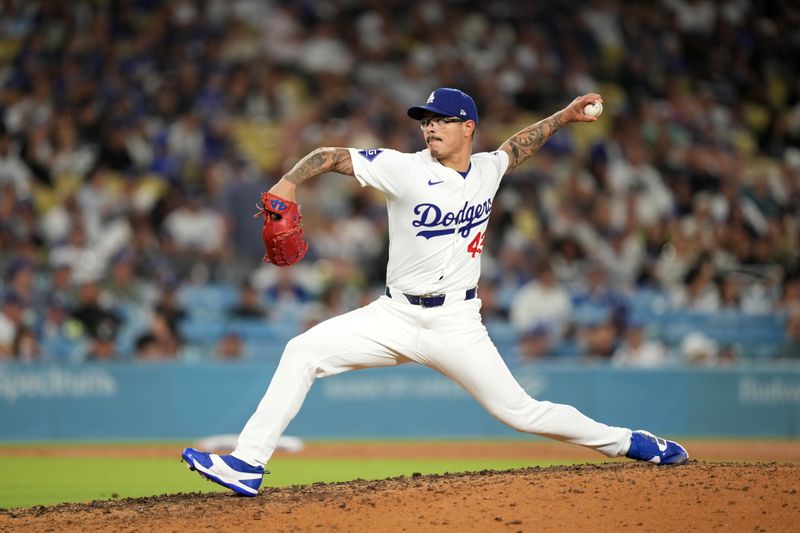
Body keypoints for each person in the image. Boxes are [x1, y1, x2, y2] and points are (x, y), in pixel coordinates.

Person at [182, 88, 688, 496]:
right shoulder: (404, 168)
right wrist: (287, 185)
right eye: (426, 119)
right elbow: (331, 155)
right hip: (394, 315)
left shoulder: (487, 169)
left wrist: (564, 116)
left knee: (521, 411)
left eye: (442, 119)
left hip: (457, 325)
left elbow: (518, 146)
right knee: (302, 350)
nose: (430, 126)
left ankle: (632, 443)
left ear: (468, 126)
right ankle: (248, 463)